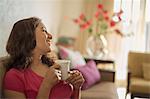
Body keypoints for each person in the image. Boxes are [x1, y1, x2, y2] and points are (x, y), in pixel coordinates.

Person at [3, 17, 84, 99]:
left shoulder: (55, 67)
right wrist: (46, 85)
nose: (50, 36)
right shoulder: (14, 77)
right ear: (28, 36)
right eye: (44, 30)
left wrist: (77, 88)